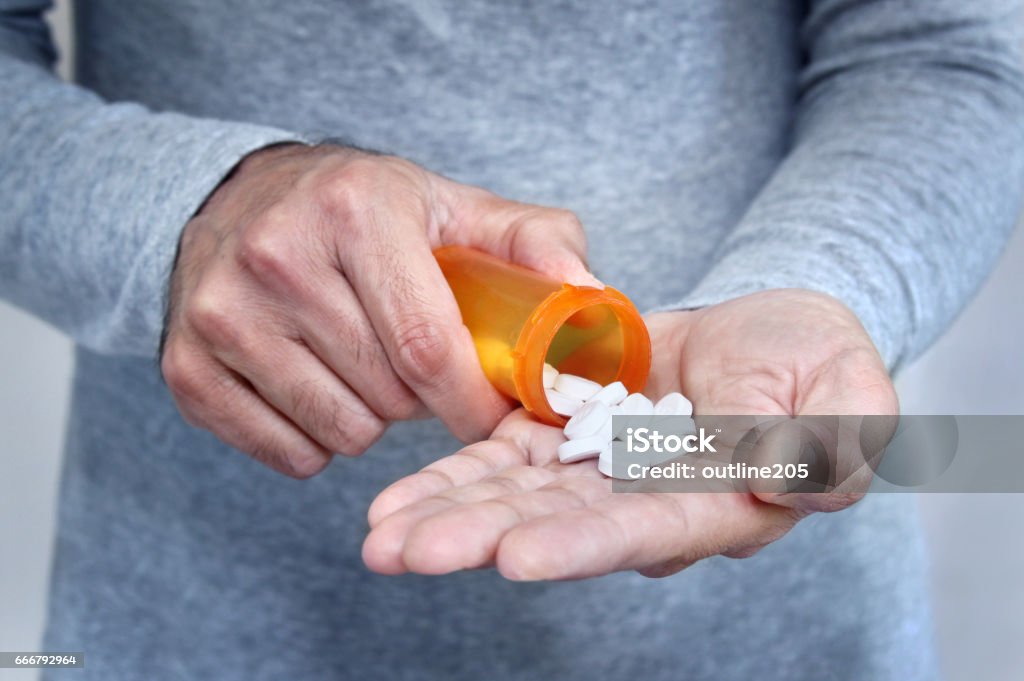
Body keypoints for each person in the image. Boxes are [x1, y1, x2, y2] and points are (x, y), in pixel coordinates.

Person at [2, 1, 1022, 679]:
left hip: (774, 631)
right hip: (205, 615)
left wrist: (811, 291)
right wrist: (187, 212)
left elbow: (944, 48)